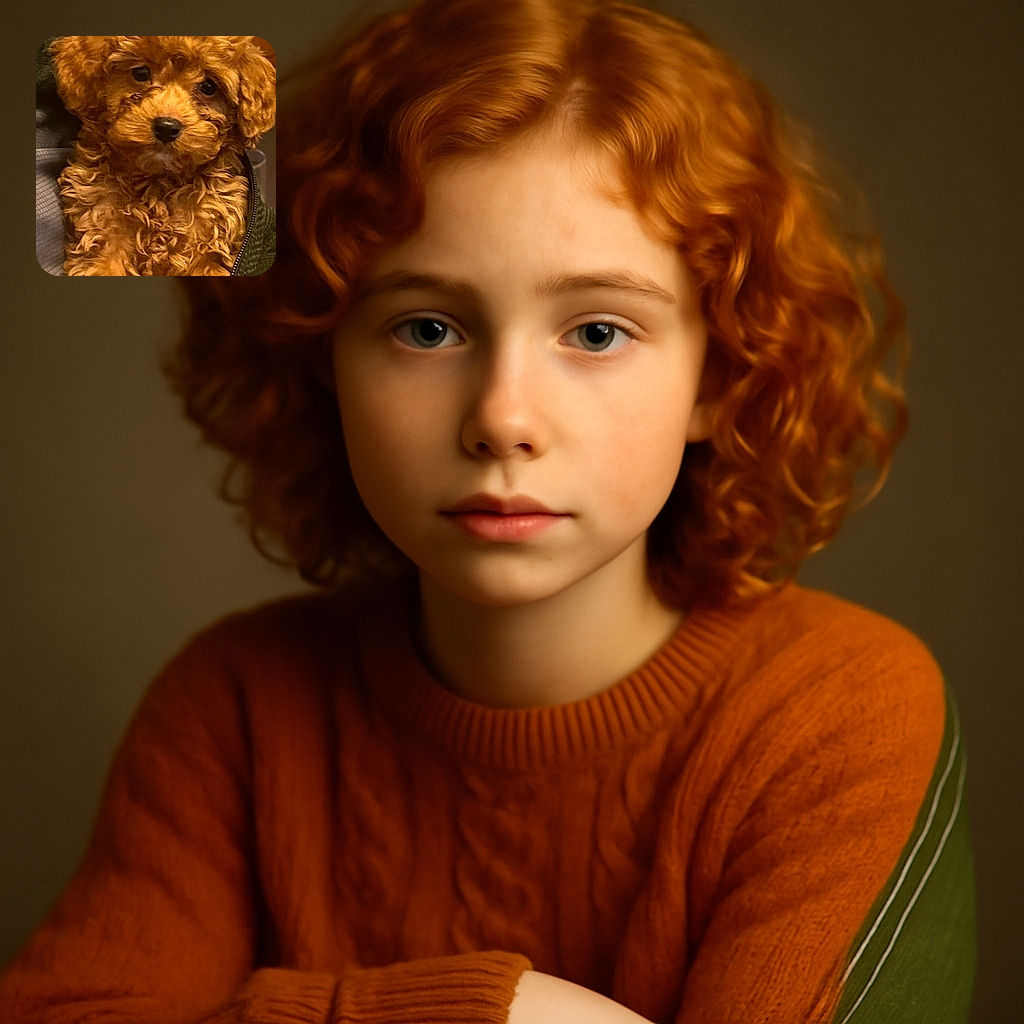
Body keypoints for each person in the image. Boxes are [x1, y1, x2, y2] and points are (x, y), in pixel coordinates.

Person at [1, 0, 974, 1021]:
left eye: (597, 332)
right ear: (319, 359)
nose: (504, 419)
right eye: (427, 328)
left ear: (720, 377)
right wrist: (498, 1013)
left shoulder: (841, 714)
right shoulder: (232, 709)